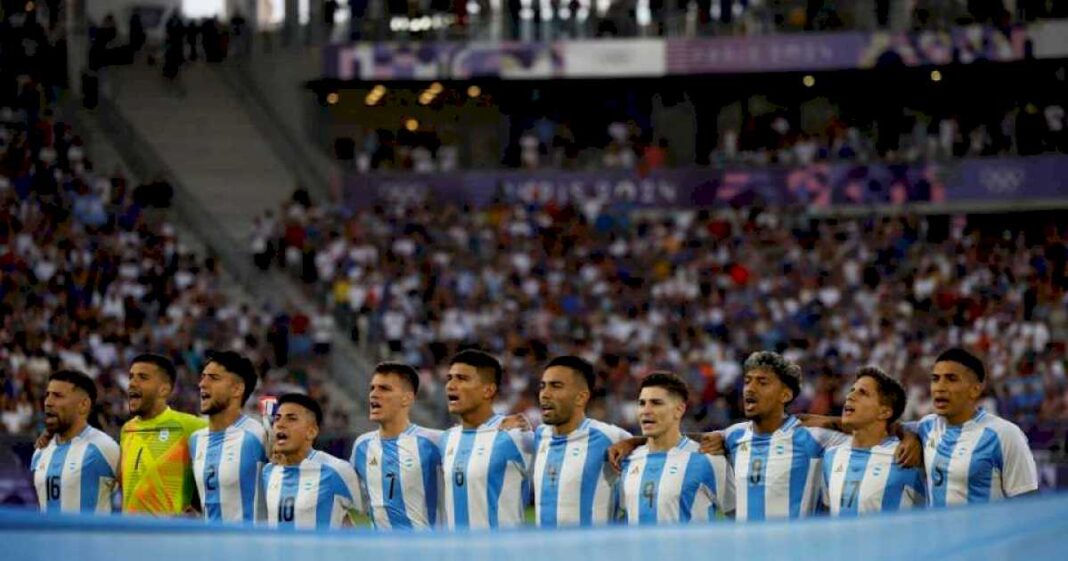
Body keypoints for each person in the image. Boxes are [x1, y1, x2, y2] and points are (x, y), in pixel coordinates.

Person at [907, 348, 1039, 506]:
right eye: (935, 379)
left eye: (951, 379)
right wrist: (908, 437)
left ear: (975, 389)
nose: (939, 387)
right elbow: (892, 428)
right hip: (936, 531)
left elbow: (1028, 506)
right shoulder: (926, 426)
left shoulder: (1005, 434)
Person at [618, 372, 734, 525]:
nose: (646, 410)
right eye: (642, 403)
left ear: (679, 410)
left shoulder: (708, 459)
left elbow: (740, 516)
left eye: (656, 403)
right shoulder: (628, 462)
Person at [533, 355, 632, 527]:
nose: (545, 394)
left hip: (593, 552)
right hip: (545, 552)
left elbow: (663, 447)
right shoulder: (539, 436)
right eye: (543, 386)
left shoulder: (610, 437)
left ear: (581, 397)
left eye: (556, 386)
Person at [439, 349, 532, 529]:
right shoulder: (446, 438)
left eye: (462, 378)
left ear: (488, 390)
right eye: (449, 378)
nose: (451, 385)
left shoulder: (514, 434)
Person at [821, 366, 925, 516]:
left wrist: (912, 438)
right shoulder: (831, 456)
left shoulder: (906, 456)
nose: (850, 396)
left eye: (862, 393)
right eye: (851, 390)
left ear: (884, 412)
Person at [349, 362, 442, 530]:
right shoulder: (362, 446)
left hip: (425, 552)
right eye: (372, 388)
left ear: (407, 398)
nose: (374, 395)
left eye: (384, 389)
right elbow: (345, 501)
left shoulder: (434, 441)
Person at [121, 353, 208, 515]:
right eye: (131, 377)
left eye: (142, 377)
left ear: (164, 389)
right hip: (128, 535)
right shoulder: (127, 429)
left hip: (167, 536)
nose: (132, 383)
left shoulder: (190, 426)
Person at [262, 393, 362, 529]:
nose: (280, 424)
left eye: (291, 419)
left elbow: (364, 516)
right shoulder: (267, 472)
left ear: (311, 432)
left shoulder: (337, 470)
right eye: (277, 419)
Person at [189, 351, 268, 522]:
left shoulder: (258, 436)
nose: (202, 384)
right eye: (202, 377)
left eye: (214, 378)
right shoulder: (195, 440)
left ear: (237, 389)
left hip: (249, 545)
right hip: (209, 545)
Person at [31, 370, 119, 514]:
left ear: (83, 405)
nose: (48, 402)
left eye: (58, 396)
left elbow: (135, 495)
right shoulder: (41, 450)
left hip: (92, 537)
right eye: (47, 395)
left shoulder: (104, 447)